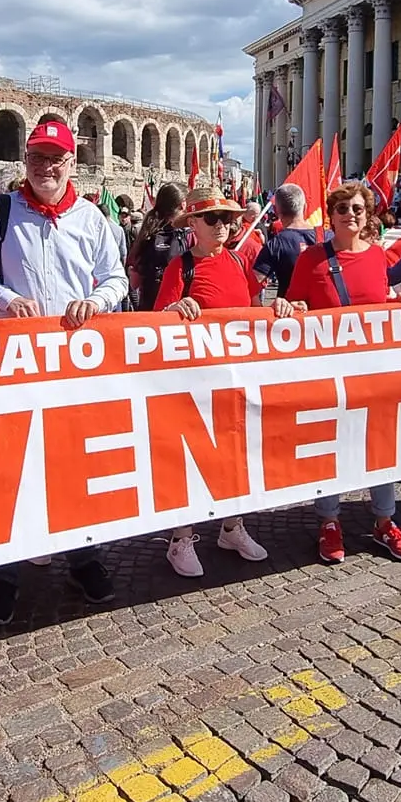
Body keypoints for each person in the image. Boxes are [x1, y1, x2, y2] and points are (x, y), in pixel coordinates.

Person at [0, 119, 127, 621]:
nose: (47, 166)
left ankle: (82, 554)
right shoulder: (2, 211)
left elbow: (115, 278)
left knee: (72, 461)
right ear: (25, 162)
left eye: (57, 158)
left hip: (73, 365)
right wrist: (7, 300)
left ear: (72, 162)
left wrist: (95, 302)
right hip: (18, 363)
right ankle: (6, 571)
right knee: (14, 466)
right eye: (38, 157)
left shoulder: (91, 218)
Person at [156, 187, 292, 577]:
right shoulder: (180, 267)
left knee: (238, 458)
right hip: (196, 382)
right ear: (193, 225)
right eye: (212, 219)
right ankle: (181, 539)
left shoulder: (235, 260)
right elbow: (156, 322)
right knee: (194, 460)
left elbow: (252, 310)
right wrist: (173, 308)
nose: (222, 226)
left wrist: (277, 307)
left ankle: (232, 527)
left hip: (237, 377)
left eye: (228, 219)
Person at [287, 182, 401, 565]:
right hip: (330, 372)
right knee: (333, 443)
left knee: (380, 441)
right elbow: (296, 301)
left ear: (368, 214)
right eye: (342, 208)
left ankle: (385, 521)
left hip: (374, 370)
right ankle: (329, 521)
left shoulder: (378, 257)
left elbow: (382, 301)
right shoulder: (311, 258)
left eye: (357, 208)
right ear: (331, 216)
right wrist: (287, 305)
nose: (350, 214)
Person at [127, 184, 189, 312]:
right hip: (176, 308)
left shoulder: (148, 232)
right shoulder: (186, 234)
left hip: (148, 307)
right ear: (183, 204)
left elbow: (134, 281)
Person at [252, 184, 317, 300]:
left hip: (290, 312)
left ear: (276, 211)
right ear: (305, 207)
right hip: (324, 314)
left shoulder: (275, 244)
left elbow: (253, 282)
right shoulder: (326, 237)